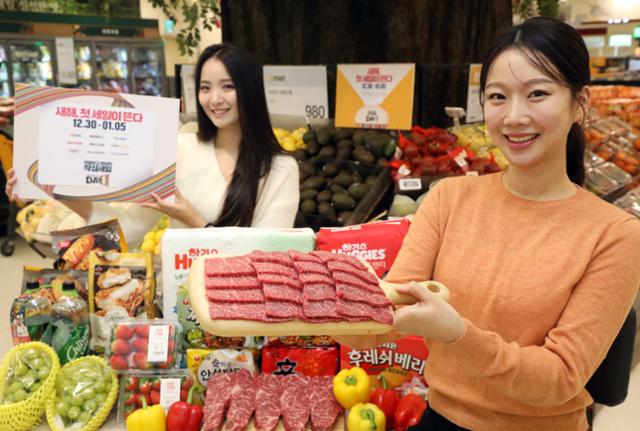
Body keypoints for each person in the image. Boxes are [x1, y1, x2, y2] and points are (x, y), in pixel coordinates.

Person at [337, 17, 640, 431]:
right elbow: (385, 318)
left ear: (579, 103)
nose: (514, 116)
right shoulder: (448, 199)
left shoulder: (615, 235)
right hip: (439, 419)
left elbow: (560, 378)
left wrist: (458, 334)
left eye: (537, 94)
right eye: (498, 97)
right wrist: (322, 303)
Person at [6, 44, 299, 246]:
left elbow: (268, 256)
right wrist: (51, 186)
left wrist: (191, 219)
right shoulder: (179, 149)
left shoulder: (281, 168)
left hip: (246, 321)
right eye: (205, 87)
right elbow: (128, 230)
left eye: (228, 86)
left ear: (249, 91)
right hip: (183, 302)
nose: (214, 99)